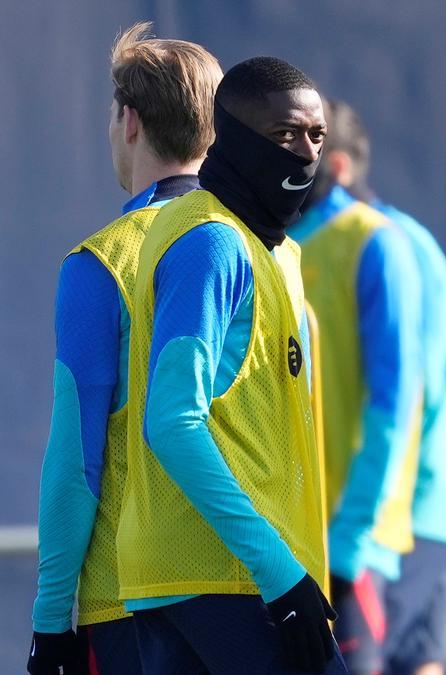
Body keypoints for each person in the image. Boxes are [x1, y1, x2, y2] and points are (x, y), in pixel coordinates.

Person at [116, 56, 347, 674]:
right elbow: (172, 420)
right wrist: (279, 573)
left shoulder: (268, 247)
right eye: (283, 135)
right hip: (230, 580)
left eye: (316, 137)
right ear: (231, 138)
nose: (303, 153)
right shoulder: (213, 240)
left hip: (215, 577)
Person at [27, 22, 221, 675]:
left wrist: (51, 619)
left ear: (130, 121)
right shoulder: (261, 251)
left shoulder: (101, 262)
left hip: (133, 603)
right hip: (249, 593)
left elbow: (75, 465)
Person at [310, 98, 446, 675]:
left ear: (337, 167)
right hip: (397, 517)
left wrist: (358, 527)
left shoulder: (388, 247)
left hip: (406, 520)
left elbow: (407, 396)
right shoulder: (365, 240)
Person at [290, 97, 424, 674]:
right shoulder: (268, 245)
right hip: (288, 548)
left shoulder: (378, 244)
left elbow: (395, 403)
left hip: (351, 548)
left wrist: (349, 541)